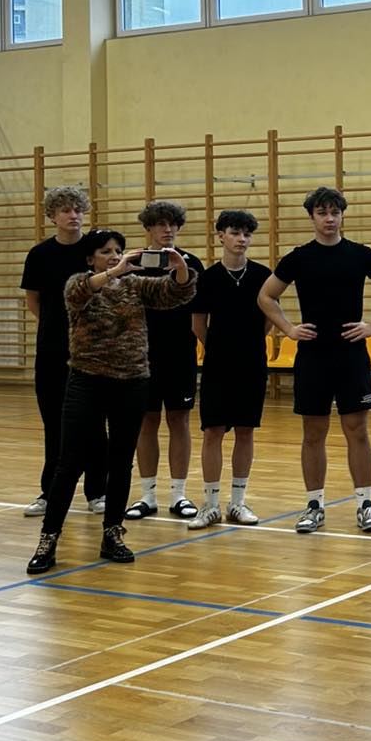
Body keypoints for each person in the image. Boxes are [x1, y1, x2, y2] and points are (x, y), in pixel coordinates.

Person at [26, 228, 197, 575]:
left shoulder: (135, 286)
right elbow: (81, 293)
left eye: (118, 250)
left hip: (131, 382)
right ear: (91, 258)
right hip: (87, 381)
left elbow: (175, 294)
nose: (114, 256)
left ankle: (112, 534)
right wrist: (114, 272)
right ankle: (48, 538)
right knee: (69, 462)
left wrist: (180, 268)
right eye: (105, 251)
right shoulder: (78, 283)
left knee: (120, 462)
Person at [258, 187, 371, 535]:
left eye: (335, 212)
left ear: (342, 215)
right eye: (322, 213)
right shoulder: (298, 258)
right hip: (313, 357)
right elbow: (266, 296)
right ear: (312, 217)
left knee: (357, 431)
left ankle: (365, 504)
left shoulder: (361, 254)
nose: (329, 219)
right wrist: (288, 329)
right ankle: (314, 505)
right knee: (313, 432)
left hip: (351, 355)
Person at [19, 185, 107, 519]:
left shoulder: (95, 250)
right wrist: (59, 328)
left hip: (93, 351)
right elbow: (34, 300)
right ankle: (51, 492)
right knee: (54, 423)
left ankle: (98, 491)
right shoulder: (40, 254)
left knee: (95, 423)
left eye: (78, 209)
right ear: (52, 216)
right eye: (66, 210)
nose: (74, 215)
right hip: (52, 351)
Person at [188, 211, 273, 530]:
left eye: (247, 234)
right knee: (213, 431)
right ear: (220, 235)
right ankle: (210, 504)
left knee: (245, 431)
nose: (241, 239)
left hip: (252, 364)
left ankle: (238, 502)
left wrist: (247, 345)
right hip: (217, 365)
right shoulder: (207, 278)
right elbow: (198, 324)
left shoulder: (263, 275)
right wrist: (219, 348)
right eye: (235, 233)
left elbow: (269, 320)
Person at [126, 201, 205, 522]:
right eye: (160, 224)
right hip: (141, 356)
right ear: (149, 228)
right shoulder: (132, 263)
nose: (167, 229)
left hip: (180, 355)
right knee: (146, 422)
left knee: (179, 421)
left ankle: (178, 494)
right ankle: (147, 495)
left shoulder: (190, 263)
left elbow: (200, 312)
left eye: (173, 224)